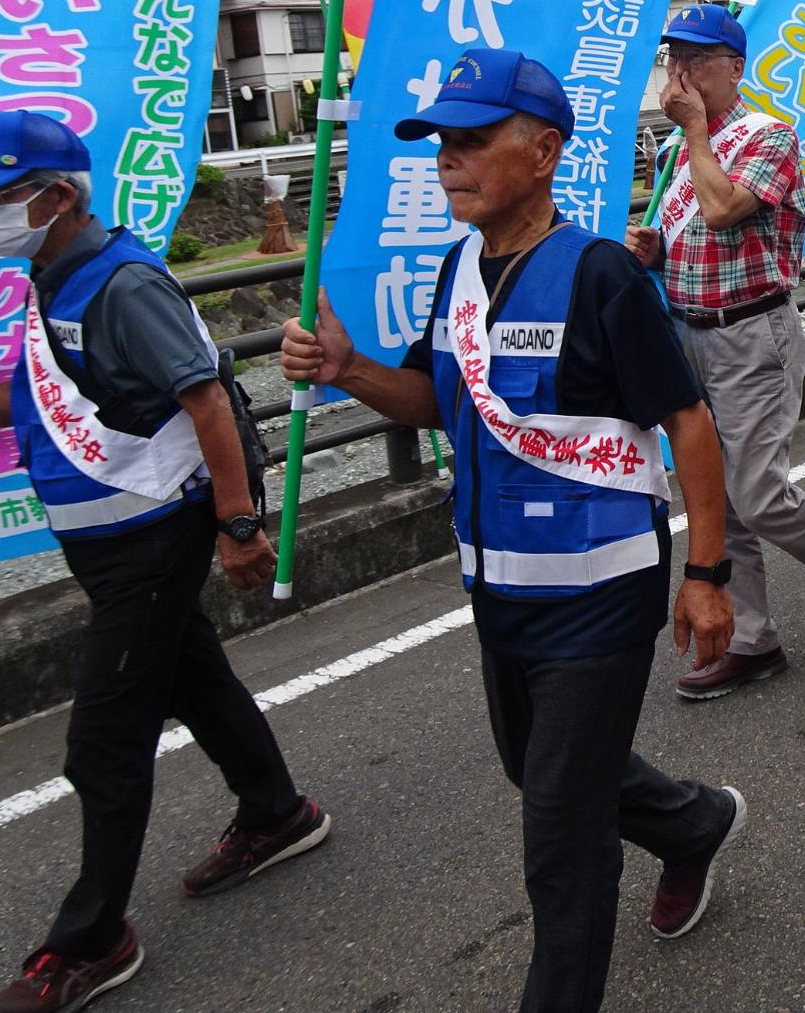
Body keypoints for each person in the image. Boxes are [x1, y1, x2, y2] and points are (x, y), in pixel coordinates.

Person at [280, 50, 744, 1013]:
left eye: (474, 141)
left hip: (600, 594)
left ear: (542, 153)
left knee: (560, 839)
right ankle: (692, 822)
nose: (450, 160)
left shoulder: (602, 274)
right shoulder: (457, 275)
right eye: (442, 143)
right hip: (498, 593)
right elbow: (436, 403)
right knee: (538, 770)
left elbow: (688, 421)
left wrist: (707, 570)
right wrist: (345, 368)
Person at [0, 112, 326, 1013]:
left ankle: (92, 939)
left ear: (54, 197)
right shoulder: (51, 279)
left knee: (105, 741)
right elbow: (42, 406)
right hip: (108, 544)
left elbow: (206, 399)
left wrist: (239, 526)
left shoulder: (120, 283)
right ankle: (277, 811)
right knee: (193, 678)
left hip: (151, 539)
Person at [625, 3, 805, 700]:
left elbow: (723, 210)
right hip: (686, 329)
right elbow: (685, 230)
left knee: (759, 493)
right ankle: (751, 638)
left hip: (751, 334)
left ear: (734, 67)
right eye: (672, 57)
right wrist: (652, 253)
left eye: (695, 59)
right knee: (717, 496)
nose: (678, 73)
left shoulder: (769, 135)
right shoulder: (674, 148)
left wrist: (698, 131)